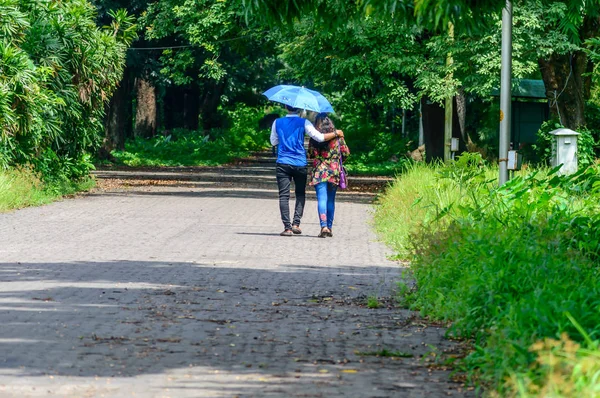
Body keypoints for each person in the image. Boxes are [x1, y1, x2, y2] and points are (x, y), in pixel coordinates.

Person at [271, 105, 343, 237]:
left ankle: (287, 228)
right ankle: (296, 224)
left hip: (282, 162)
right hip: (299, 163)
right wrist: (336, 133)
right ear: (298, 109)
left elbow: (273, 141)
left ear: (286, 107)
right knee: (300, 193)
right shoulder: (304, 122)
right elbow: (320, 137)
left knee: (283, 195)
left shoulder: (277, 122)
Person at [308, 113, 350, 238]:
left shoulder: (314, 138)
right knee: (331, 200)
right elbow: (346, 153)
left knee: (322, 199)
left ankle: (323, 226)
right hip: (334, 171)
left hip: (319, 172)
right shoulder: (338, 138)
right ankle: (330, 228)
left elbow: (310, 154)